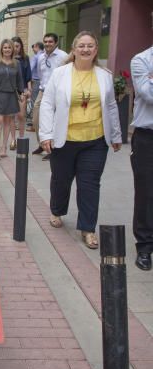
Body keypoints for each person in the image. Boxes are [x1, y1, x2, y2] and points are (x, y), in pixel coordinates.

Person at [39, 31, 121, 250]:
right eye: (81, 46)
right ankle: (57, 210)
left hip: (95, 140)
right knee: (61, 180)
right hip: (64, 139)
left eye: (90, 46)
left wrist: (116, 135)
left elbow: (111, 106)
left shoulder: (104, 75)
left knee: (90, 184)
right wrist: (45, 134)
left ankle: (87, 228)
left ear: (96, 50)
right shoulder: (60, 74)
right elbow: (47, 104)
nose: (86, 49)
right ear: (74, 49)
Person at [130, 43, 153, 271]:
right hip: (148, 137)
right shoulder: (141, 60)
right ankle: (145, 247)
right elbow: (147, 94)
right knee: (146, 192)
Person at [0, 39, 24, 161]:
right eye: (5, 47)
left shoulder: (16, 63)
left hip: (11, 95)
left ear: (12, 49)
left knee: (8, 122)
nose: (7, 49)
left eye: (9, 47)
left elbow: (19, 79)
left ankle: (4, 148)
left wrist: (21, 92)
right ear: (1, 49)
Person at [32, 33, 67, 160]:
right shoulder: (41, 57)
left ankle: (52, 148)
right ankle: (42, 143)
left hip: (57, 92)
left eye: (50, 41)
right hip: (43, 91)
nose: (47, 44)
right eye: (45, 41)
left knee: (53, 121)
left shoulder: (63, 56)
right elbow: (40, 74)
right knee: (36, 118)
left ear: (56, 43)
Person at [9, 36, 32, 148]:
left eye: (17, 46)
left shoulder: (25, 58)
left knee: (21, 116)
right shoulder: (7, 59)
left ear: (21, 47)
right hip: (9, 90)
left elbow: (28, 76)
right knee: (12, 116)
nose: (15, 48)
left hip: (21, 90)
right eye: (13, 46)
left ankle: (21, 138)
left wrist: (28, 89)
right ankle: (13, 140)